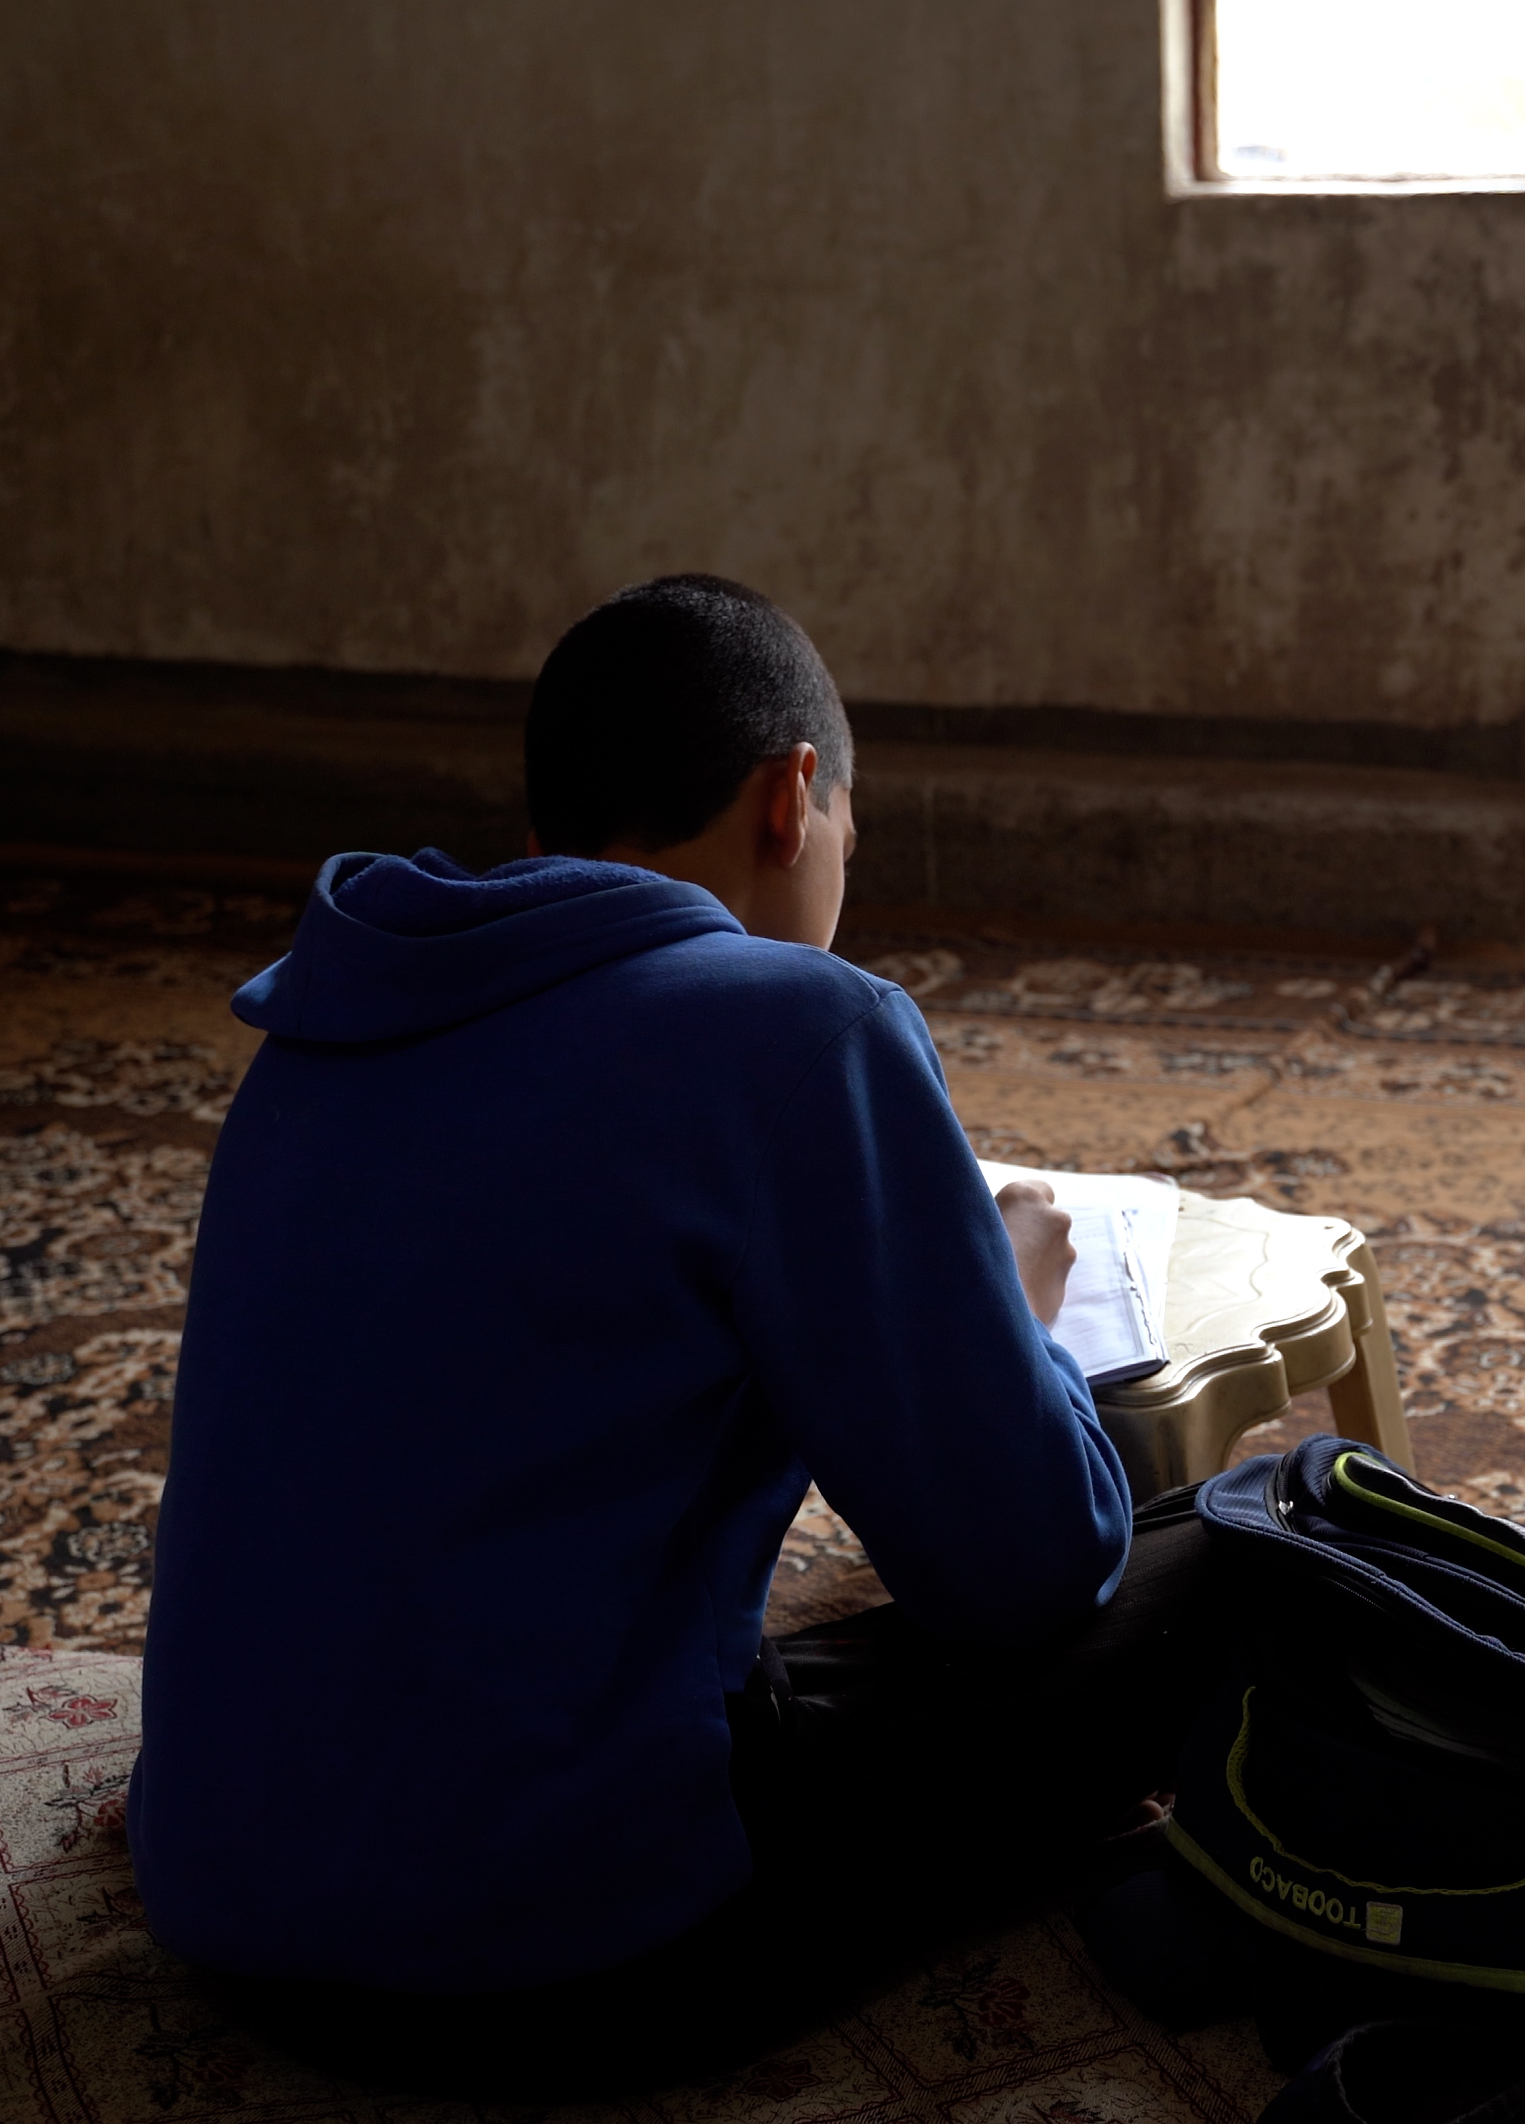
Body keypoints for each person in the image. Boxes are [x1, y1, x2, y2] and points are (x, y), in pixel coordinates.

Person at [128, 574, 1216, 2097]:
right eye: (850, 829)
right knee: (1262, 1557)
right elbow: (1024, 1573)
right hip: (559, 1958)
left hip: (220, 1899)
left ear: (543, 838)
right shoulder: (799, 1028)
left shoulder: (328, 1013)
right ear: (791, 800)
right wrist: (1021, 1312)